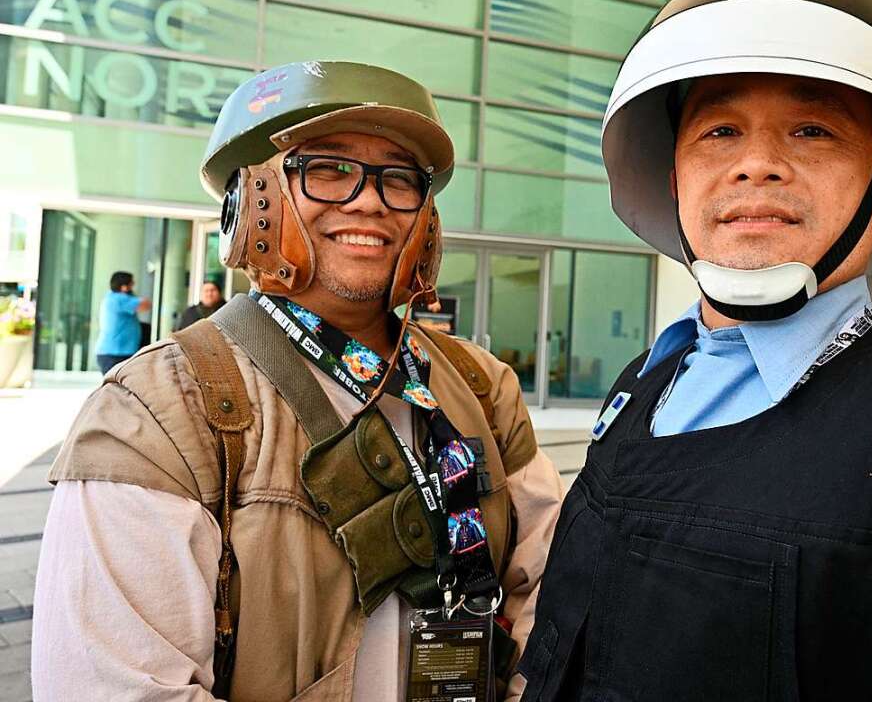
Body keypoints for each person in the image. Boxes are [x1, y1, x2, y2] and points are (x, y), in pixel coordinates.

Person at [518, 0, 872, 702]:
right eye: (719, 130)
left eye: (813, 129)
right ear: (674, 178)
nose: (756, 164)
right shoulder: (643, 383)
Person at [33, 61, 563, 701]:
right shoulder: (157, 410)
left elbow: (555, 591)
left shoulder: (479, 385)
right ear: (248, 199)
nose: (369, 198)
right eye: (328, 169)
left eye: (399, 179)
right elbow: (111, 685)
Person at [94, 271, 151, 373]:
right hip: (117, 354)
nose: (133, 287)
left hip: (114, 353)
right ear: (124, 287)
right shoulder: (120, 299)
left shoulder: (111, 297)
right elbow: (146, 305)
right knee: (118, 387)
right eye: (132, 284)